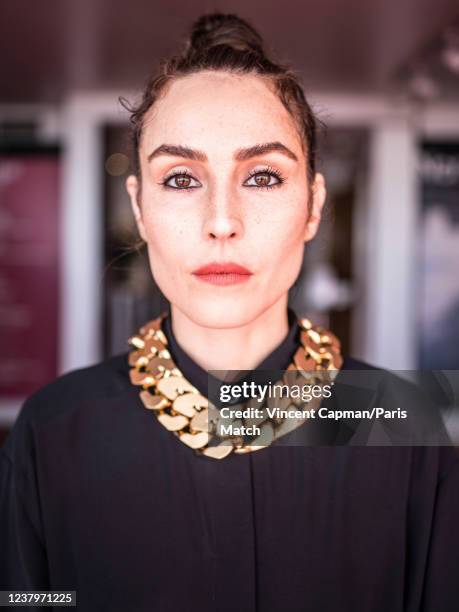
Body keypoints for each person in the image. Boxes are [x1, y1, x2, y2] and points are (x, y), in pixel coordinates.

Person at [1, 12, 459, 612]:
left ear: (313, 205)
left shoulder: (403, 428)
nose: (222, 222)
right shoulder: (54, 433)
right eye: (182, 179)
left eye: (263, 176)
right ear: (139, 208)